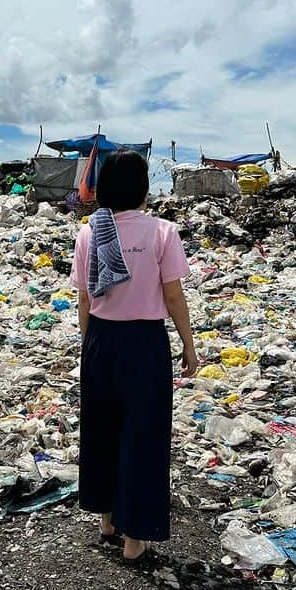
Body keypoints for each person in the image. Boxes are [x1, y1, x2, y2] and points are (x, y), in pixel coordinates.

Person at [70, 151, 199, 564]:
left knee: (102, 430)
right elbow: (174, 294)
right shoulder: (162, 232)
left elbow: (85, 298)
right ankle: (133, 539)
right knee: (142, 437)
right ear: (143, 188)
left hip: (102, 342)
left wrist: (88, 346)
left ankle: (107, 520)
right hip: (144, 343)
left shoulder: (90, 233)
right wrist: (188, 344)